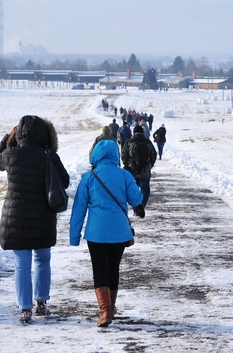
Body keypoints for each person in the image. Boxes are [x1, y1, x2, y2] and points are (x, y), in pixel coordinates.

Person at [0, 115, 70, 324]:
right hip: (43, 217)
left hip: (16, 217)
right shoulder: (48, 155)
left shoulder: (10, 154)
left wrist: (7, 137)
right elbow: (65, 181)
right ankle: (41, 303)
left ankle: (25, 309)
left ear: (20, 133)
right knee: (42, 260)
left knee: (21, 264)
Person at [70, 139, 144, 327]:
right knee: (113, 268)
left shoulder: (89, 177)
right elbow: (136, 199)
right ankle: (110, 308)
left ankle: (105, 312)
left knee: (99, 269)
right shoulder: (124, 175)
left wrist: (74, 236)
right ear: (115, 155)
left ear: (95, 155)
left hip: (96, 233)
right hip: (119, 232)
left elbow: (78, 209)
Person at [121, 125, 156, 217]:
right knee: (145, 191)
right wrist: (149, 166)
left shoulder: (129, 143)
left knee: (133, 191)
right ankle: (142, 206)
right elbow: (153, 155)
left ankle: (136, 209)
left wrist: (128, 165)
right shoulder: (147, 142)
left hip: (132, 172)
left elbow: (124, 156)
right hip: (145, 172)